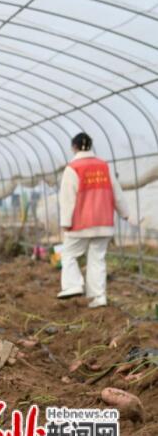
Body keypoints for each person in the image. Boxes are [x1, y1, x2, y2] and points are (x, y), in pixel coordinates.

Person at [57, 132, 129, 308]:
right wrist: (124, 213)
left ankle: (73, 285)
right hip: (104, 222)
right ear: (90, 145)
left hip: (81, 223)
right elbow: (116, 193)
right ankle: (98, 298)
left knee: (69, 254)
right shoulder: (104, 166)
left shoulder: (73, 168)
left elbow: (67, 199)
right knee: (97, 259)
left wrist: (66, 222)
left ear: (73, 147)